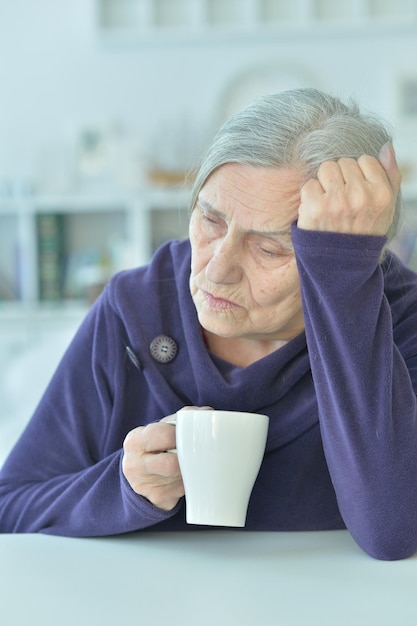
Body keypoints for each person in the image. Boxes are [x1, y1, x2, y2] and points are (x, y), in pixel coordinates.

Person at [1, 88, 417, 561]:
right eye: (211, 221)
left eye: (269, 249)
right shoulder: (136, 306)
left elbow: (393, 530)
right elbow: (11, 508)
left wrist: (343, 282)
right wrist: (123, 487)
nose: (218, 270)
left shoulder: (401, 318)